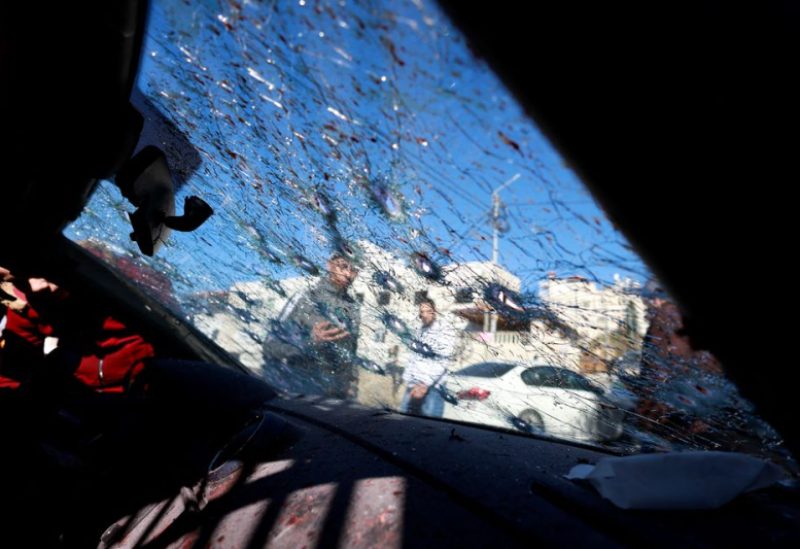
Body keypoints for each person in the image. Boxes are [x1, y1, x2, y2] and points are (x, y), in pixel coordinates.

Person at [261, 253, 361, 399]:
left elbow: (350, 353)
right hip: (294, 392)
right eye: (344, 266)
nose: (348, 274)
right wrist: (309, 343)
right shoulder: (306, 297)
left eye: (354, 270)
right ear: (330, 264)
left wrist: (348, 387)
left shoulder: (353, 308)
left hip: (334, 398)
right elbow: (270, 346)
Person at [400, 297, 459, 417]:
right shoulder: (419, 330)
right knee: (403, 422)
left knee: (430, 426)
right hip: (414, 385)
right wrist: (407, 378)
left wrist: (425, 385)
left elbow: (443, 359)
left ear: (435, 312)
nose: (425, 315)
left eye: (428, 311)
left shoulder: (445, 330)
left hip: (432, 387)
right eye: (422, 312)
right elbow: (414, 356)